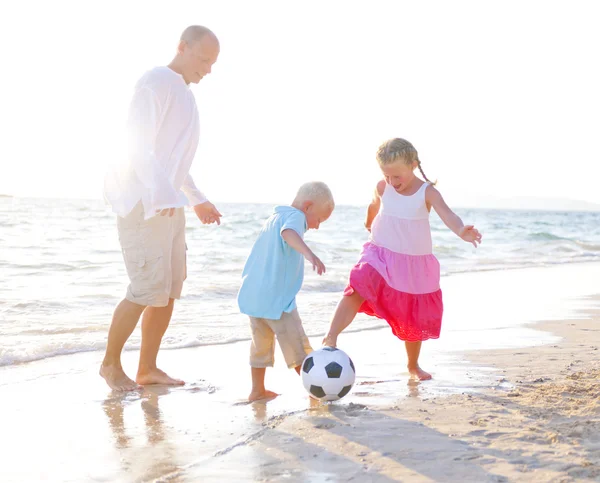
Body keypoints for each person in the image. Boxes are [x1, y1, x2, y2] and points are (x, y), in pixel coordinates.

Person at [100, 25, 222, 391]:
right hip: (143, 204)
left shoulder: (185, 95)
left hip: (168, 205)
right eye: (203, 59)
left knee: (168, 289)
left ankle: (148, 368)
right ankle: (109, 365)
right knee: (145, 288)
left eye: (213, 63)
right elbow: (137, 144)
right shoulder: (156, 81)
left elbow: (174, 161)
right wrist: (162, 193)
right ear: (182, 47)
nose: (208, 69)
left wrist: (196, 198)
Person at [322, 138, 482, 380]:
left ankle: (413, 365)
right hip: (379, 252)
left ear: (414, 165)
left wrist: (461, 231)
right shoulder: (383, 186)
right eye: (388, 176)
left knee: (412, 314)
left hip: (413, 261)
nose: (392, 182)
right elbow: (374, 206)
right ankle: (330, 336)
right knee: (358, 285)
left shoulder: (427, 192)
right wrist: (369, 223)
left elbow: (448, 214)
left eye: (397, 176)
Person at [237, 182, 335, 401]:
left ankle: (257, 390)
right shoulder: (296, 218)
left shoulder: (273, 217)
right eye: (319, 219)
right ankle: (316, 391)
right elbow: (288, 233)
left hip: (255, 298)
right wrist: (310, 255)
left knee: (260, 347)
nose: (317, 226)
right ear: (308, 206)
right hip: (278, 301)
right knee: (298, 348)